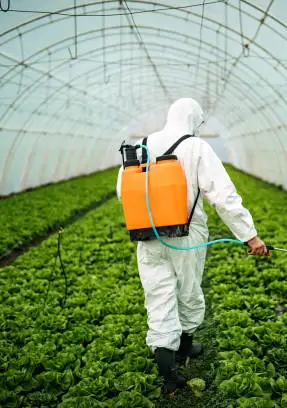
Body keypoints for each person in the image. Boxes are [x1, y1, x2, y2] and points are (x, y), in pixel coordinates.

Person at [116, 97, 268, 394]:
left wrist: (152, 215)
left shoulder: (141, 144)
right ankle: (185, 345)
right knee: (188, 290)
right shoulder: (196, 147)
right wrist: (249, 235)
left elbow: (124, 191)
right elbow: (222, 196)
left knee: (157, 295)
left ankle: (168, 375)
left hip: (148, 235)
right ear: (193, 120)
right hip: (186, 234)